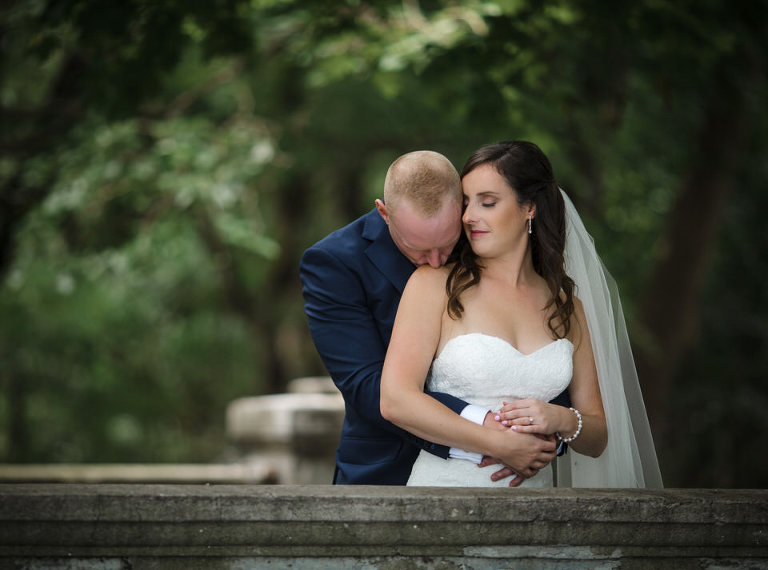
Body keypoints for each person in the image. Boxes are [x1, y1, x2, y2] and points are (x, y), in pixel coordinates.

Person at [380, 141, 663, 488]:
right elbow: (396, 400)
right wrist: (500, 444)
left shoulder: (567, 307)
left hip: (538, 507)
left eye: (487, 202)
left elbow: (598, 435)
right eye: (466, 203)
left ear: (529, 207)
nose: (469, 216)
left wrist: (559, 418)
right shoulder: (434, 285)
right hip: (445, 492)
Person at [300, 150, 570, 485]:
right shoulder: (334, 264)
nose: (437, 262)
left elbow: (534, 338)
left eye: (446, 244)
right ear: (384, 213)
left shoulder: (479, 235)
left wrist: (543, 440)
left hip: (518, 470)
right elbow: (368, 386)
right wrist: (488, 431)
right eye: (418, 249)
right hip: (385, 471)